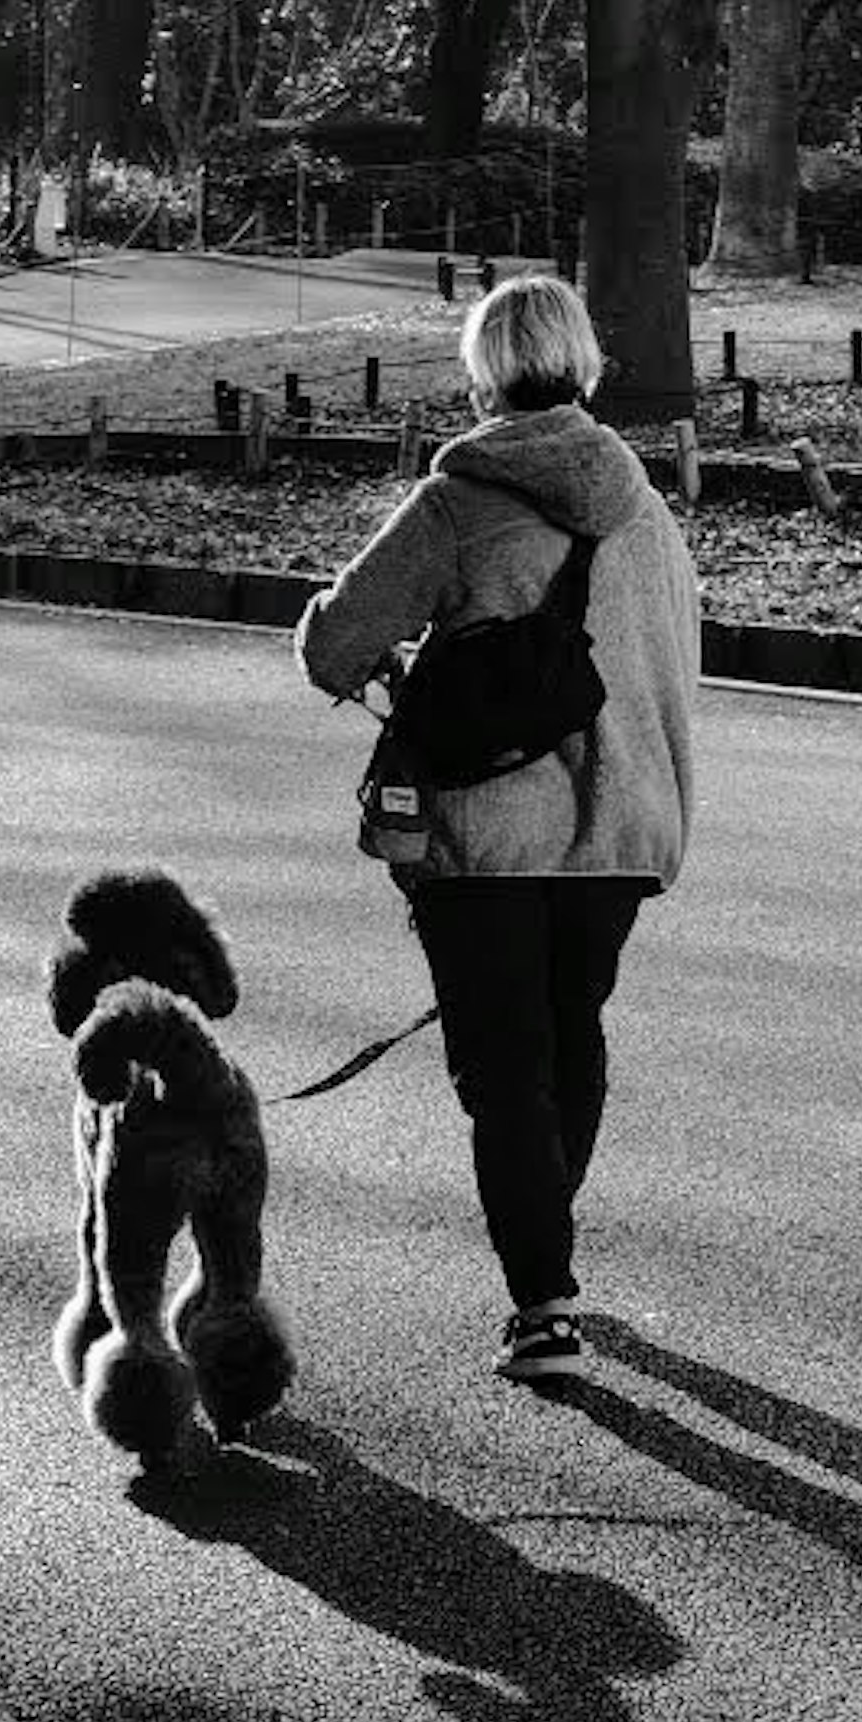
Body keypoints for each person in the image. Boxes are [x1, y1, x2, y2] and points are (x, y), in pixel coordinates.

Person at [296, 267, 696, 1383]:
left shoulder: (459, 501)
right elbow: (671, 678)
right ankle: (548, 1257)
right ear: (587, 362)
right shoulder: (648, 515)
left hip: (488, 839)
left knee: (505, 1068)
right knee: (572, 1041)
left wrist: (380, 649)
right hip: (623, 832)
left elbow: (336, 647)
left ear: (481, 373)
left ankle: (543, 1304)